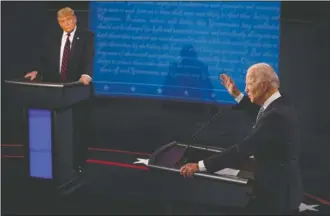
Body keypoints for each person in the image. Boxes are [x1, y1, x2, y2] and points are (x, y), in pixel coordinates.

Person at [180, 63, 303, 213]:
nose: (246, 89)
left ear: (264, 86)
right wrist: (236, 94)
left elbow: (243, 149)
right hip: (281, 187)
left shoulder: (275, 116)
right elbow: (261, 112)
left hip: (277, 195)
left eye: (249, 84)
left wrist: (200, 166)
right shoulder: (281, 104)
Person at [24, 7, 94, 173]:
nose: (66, 24)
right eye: (62, 21)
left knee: (77, 128)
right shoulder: (53, 37)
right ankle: (57, 162)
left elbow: (89, 58)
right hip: (55, 92)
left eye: (69, 20)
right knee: (56, 129)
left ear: (75, 19)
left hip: (76, 91)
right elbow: (45, 60)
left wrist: (86, 74)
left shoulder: (86, 36)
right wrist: (37, 71)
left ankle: (78, 163)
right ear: (58, 22)